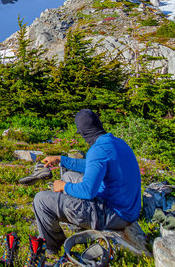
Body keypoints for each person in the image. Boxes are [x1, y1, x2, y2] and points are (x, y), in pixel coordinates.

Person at [33, 109, 141, 255]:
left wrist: (63, 186)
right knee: (69, 176)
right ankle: (79, 227)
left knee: (41, 200)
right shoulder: (115, 142)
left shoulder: (98, 150)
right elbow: (93, 166)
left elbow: (88, 191)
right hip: (128, 209)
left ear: (83, 133)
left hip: (113, 215)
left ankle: (55, 248)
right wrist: (61, 159)